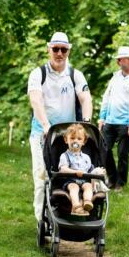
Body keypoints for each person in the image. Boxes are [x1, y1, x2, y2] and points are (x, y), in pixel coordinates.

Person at [28, 32, 93, 221]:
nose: (59, 53)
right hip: (42, 134)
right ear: (49, 49)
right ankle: (41, 221)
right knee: (42, 180)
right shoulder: (38, 74)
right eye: (55, 49)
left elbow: (85, 97)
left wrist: (86, 122)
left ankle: (70, 211)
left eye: (63, 49)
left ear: (68, 51)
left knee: (69, 176)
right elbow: (36, 100)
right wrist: (46, 125)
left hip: (68, 136)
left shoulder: (75, 75)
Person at [98, 46, 129, 192]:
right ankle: (112, 179)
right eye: (122, 59)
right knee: (104, 150)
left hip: (126, 124)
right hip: (110, 122)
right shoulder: (115, 78)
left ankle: (121, 183)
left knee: (122, 154)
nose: (120, 61)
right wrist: (102, 117)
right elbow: (106, 97)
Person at [58, 124, 95, 216]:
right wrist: (75, 172)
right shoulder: (64, 156)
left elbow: (91, 171)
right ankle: (76, 206)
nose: (75, 141)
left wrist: (98, 172)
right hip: (70, 181)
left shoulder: (86, 157)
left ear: (83, 142)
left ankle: (87, 202)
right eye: (72, 138)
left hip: (84, 180)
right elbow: (63, 169)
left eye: (79, 139)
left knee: (88, 186)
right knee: (74, 187)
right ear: (66, 140)